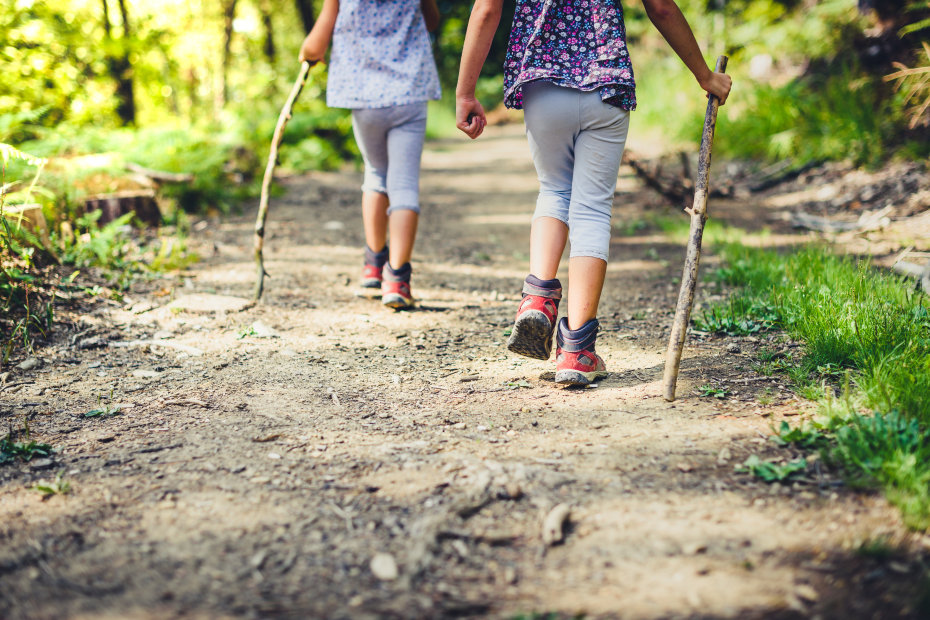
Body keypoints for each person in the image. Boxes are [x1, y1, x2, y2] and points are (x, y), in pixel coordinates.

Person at [455, 0, 732, 385]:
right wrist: (704, 75)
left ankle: (537, 298)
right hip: (607, 85)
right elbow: (661, 7)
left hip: (543, 85)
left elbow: (486, 9)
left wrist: (465, 92)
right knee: (592, 210)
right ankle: (576, 351)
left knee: (554, 190)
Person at [300, 0, 442, 309]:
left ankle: (373, 266)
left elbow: (316, 43)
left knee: (376, 174)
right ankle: (398, 279)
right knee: (404, 186)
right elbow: (432, 21)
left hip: (364, 96)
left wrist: (309, 52)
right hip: (409, 93)